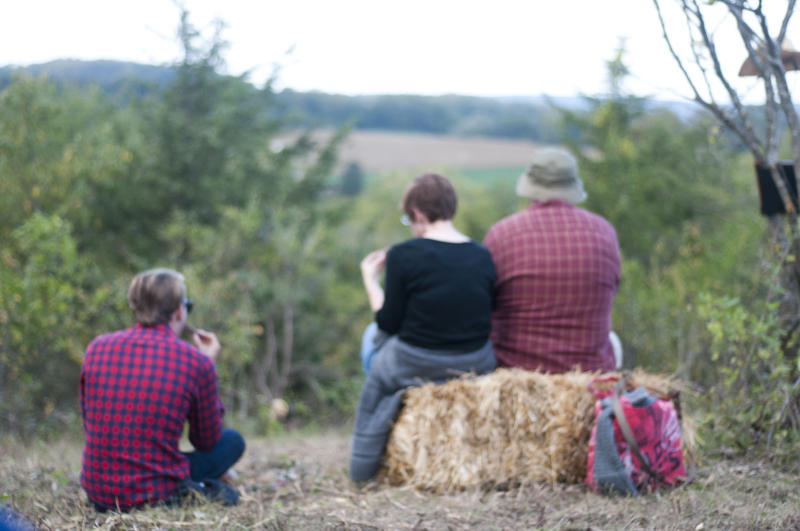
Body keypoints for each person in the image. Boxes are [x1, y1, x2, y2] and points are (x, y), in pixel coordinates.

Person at [350, 173, 497, 482]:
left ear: (417, 213)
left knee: (371, 339)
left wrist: (370, 280)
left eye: (408, 218)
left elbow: (387, 322)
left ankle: (366, 462)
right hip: (475, 363)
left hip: (415, 363)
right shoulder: (482, 256)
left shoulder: (405, 254)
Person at [80, 268, 245, 511]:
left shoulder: (97, 347)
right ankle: (199, 488)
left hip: (98, 493)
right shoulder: (195, 362)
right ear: (179, 311)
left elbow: (90, 421)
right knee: (233, 441)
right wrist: (208, 362)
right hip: (156, 493)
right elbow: (206, 441)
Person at [483, 148, 621, 374]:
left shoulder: (502, 234)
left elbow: (485, 305)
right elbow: (611, 293)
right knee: (613, 340)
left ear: (530, 188)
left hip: (516, 373)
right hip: (589, 373)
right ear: (571, 187)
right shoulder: (604, 233)